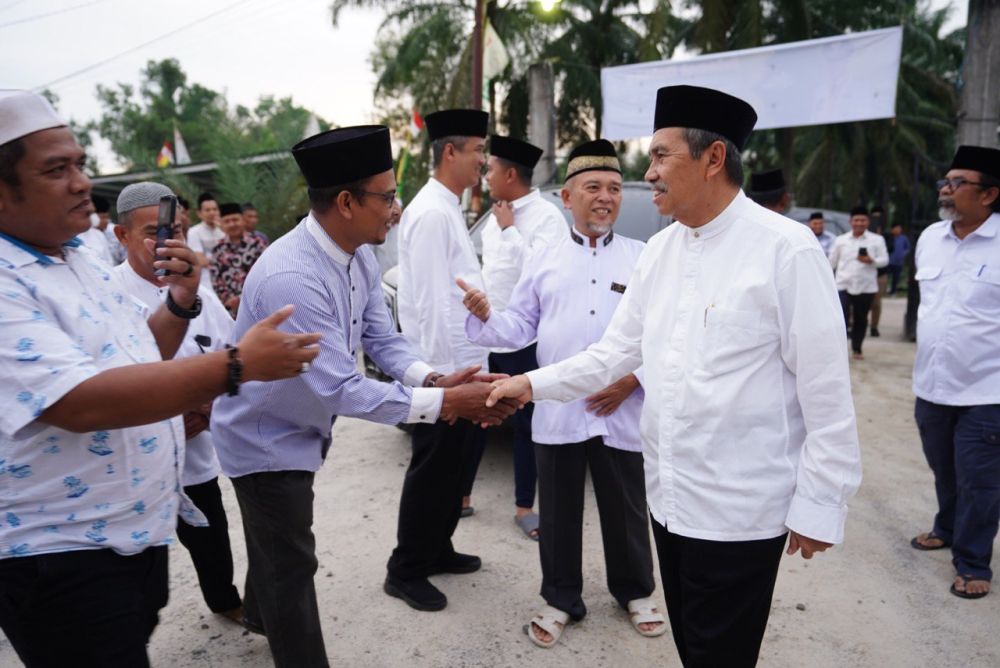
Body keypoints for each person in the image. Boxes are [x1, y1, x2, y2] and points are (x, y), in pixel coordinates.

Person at [485, 84, 862, 667]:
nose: (649, 172)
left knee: (721, 653)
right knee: (694, 646)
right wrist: (528, 385)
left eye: (661, 156)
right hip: (669, 501)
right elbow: (612, 354)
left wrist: (821, 503)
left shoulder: (785, 250)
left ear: (713, 159)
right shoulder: (660, 252)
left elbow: (827, 391)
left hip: (740, 510)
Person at [0, 90, 318, 668]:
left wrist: (179, 301)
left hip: (126, 540)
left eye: (78, 164)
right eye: (55, 170)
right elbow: (77, 402)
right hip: (60, 559)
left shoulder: (77, 259)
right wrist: (236, 365)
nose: (79, 182)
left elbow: (136, 354)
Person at [210, 125, 517, 667]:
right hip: (264, 438)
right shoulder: (294, 277)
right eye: (388, 195)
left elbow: (382, 339)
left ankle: (259, 612)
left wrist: (432, 380)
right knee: (292, 562)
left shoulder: (357, 254)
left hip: (299, 426)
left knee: (276, 542)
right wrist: (446, 405)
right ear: (347, 202)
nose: (396, 208)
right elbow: (342, 388)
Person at [462, 138, 665, 648]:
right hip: (559, 408)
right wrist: (488, 317)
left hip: (622, 407)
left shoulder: (642, 258)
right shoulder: (545, 258)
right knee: (558, 510)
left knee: (626, 507)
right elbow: (519, 327)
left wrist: (632, 380)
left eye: (615, 188)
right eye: (593, 187)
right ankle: (559, 598)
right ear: (569, 196)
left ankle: (635, 590)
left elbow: (663, 334)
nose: (605, 197)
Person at [112, 181, 244, 624]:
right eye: (154, 232)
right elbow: (111, 380)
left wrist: (206, 410)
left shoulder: (201, 296)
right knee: (141, 579)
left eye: (179, 230)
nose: (169, 243)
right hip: (129, 471)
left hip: (195, 458)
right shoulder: (103, 296)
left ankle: (225, 602)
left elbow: (234, 356)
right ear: (121, 235)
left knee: (213, 542)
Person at [388, 108, 494, 609]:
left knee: (454, 470)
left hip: (462, 369)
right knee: (432, 469)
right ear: (449, 151)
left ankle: (437, 547)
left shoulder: (447, 205)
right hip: (444, 373)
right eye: (477, 150)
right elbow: (428, 304)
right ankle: (406, 567)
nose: (483, 161)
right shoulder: (431, 211)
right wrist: (443, 386)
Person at [909, 145, 1000, 600]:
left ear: (988, 195)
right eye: (945, 181)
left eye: (957, 182)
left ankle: (972, 561)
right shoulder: (930, 238)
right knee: (944, 469)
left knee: (979, 479)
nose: (945, 189)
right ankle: (945, 526)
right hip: (932, 384)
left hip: (988, 390)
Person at [481, 134, 566, 539]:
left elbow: (543, 275)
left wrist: (511, 231)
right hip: (486, 337)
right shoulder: (493, 215)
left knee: (525, 425)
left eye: (491, 169)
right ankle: (461, 498)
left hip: (524, 341)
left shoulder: (546, 217)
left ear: (511, 174)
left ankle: (523, 507)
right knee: (475, 416)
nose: (486, 175)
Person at [829, 206, 889, 359]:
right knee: (840, 317)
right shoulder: (840, 240)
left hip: (866, 286)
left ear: (868, 222)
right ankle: (838, 349)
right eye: (856, 220)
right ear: (850, 222)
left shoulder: (877, 240)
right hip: (843, 284)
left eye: (862, 220)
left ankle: (857, 348)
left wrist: (871, 260)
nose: (859, 223)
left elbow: (884, 261)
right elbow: (831, 262)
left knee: (861, 319)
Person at [211, 202, 267, 316]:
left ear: (242, 220)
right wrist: (229, 300)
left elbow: (266, 273)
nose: (232, 224)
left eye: (235, 220)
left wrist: (241, 298)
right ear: (221, 224)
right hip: (231, 310)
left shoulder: (258, 244)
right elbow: (216, 280)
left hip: (258, 305)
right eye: (227, 221)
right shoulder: (218, 249)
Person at [188, 192, 226, 290]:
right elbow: (200, 260)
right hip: (206, 280)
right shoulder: (194, 232)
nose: (212, 213)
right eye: (207, 210)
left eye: (214, 209)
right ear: (199, 213)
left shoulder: (224, 230)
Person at [868, 205, 892, 336]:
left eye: (879, 217)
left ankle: (874, 325)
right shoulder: (864, 235)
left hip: (880, 273)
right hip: (864, 272)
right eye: (874, 217)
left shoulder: (886, 235)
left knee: (876, 302)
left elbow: (890, 251)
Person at [887, 222, 911, 295]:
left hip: (899, 262)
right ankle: (884, 291)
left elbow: (908, 248)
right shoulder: (889, 237)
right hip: (888, 261)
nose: (898, 230)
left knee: (896, 278)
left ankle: (893, 291)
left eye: (899, 229)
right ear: (892, 229)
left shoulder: (904, 238)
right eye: (896, 228)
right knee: (886, 277)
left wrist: (903, 254)